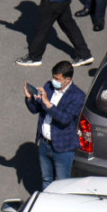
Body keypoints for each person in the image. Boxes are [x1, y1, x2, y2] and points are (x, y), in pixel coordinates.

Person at [25, 60, 86, 188]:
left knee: (62, 183)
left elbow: (65, 119)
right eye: (53, 77)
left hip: (62, 148)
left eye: (57, 79)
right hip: (44, 144)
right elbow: (35, 109)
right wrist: (30, 98)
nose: (54, 81)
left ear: (67, 80)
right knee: (46, 179)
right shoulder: (49, 87)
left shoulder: (78, 96)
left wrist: (48, 103)